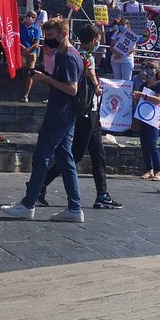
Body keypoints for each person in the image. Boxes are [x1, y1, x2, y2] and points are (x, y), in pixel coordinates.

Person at [0, 17, 85, 220]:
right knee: (64, 158)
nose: (47, 40)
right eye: (45, 36)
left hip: (60, 113)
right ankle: (74, 208)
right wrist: (44, 76)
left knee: (41, 156)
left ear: (63, 34)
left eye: (51, 35)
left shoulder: (68, 57)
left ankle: (28, 204)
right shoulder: (69, 54)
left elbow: (72, 89)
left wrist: (45, 78)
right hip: (66, 113)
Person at [39, 23, 123, 210]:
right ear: (94, 40)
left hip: (91, 110)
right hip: (86, 111)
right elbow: (91, 76)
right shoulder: (85, 57)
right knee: (75, 154)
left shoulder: (78, 54)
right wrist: (96, 85)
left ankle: (102, 194)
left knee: (98, 153)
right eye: (98, 40)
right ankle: (40, 184)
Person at [132, 61, 160, 182]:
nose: (148, 70)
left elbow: (159, 100)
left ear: (157, 70)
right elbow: (139, 102)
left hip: (154, 118)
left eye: (151, 68)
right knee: (144, 144)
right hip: (143, 117)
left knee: (152, 145)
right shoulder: (143, 85)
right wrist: (136, 98)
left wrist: (143, 95)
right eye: (147, 68)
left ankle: (159, 171)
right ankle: (149, 169)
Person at [19, 10, 42, 102]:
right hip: (20, 51)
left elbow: (36, 43)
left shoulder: (36, 29)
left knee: (30, 73)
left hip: (32, 52)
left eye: (33, 17)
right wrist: (23, 48)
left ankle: (26, 95)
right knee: (23, 64)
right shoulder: (19, 26)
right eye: (28, 15)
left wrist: (28, 50)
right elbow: (15, 38)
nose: (30, 18)